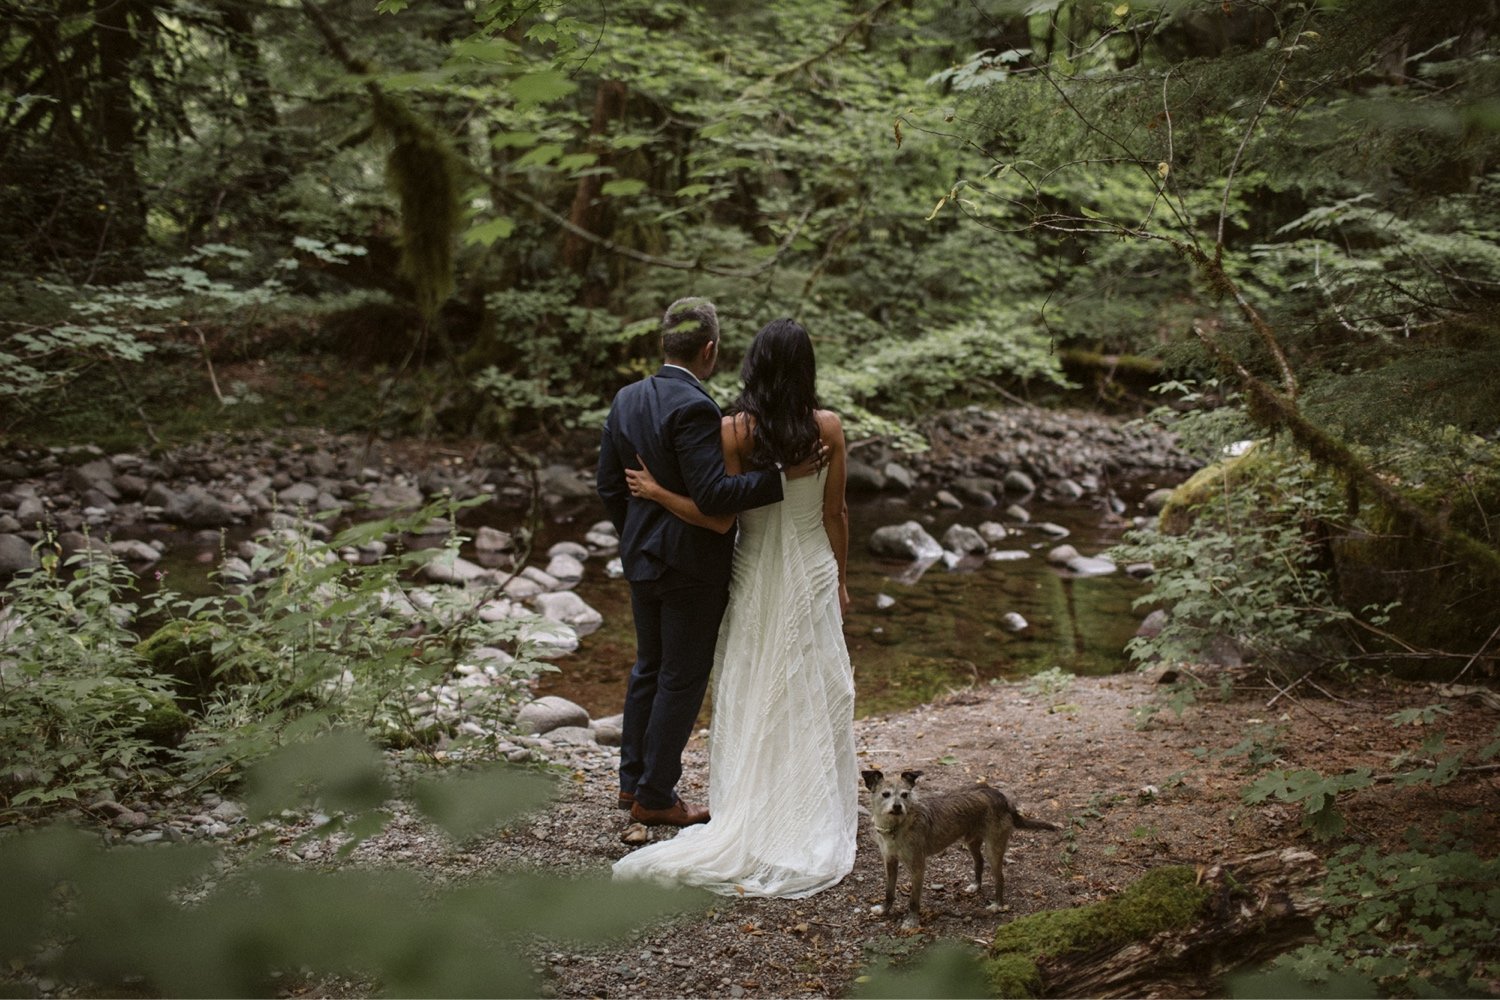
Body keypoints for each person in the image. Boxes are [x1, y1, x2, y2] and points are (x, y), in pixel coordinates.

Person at [611, 317, 858, 898]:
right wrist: (844, 579)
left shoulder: (734, 429)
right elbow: (836, 513)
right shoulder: (828, 426)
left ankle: (749, 804)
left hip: (752, 568)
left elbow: (717, 513)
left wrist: (657, 493)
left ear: (752, 365)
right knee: (817, 685)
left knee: (752, 684)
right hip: (811, 566)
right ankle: (809, 807)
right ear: (807, 367)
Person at [597, 298, 821, 829]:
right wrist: (787, 477)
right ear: (711, 349)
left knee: (647, 669)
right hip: (690, 566)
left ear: (664, 343)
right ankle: (654, 795)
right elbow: (716, 494)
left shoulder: (626, 398)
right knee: (682, 676)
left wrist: (635, 535)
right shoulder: (697, 408)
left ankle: (631, 783)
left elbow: (609, 485)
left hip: (642, 560)